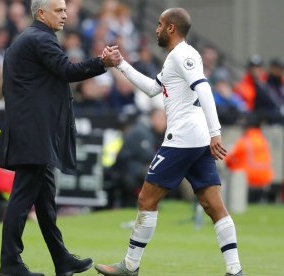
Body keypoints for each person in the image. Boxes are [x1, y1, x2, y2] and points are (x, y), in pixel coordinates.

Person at [95, 8, 243, 276]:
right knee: (213, 205)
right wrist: (121, 64)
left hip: (183, 139)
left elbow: (204, 88)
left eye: (160, 24)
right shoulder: (178, 56)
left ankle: (129, 266)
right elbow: (153, 89)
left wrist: (216, 131)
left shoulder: (183, 55)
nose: (156, 29)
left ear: (171, 28)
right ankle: (235, 270)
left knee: (146, 199)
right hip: (195, 140)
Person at [0, 0, 121, 275]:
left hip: (33, 131)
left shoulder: (30, 39)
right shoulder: (40, 39)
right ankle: (10, 263)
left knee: (45, 204)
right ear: (41, 13)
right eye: (59, 10)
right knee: (22, 198)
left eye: (65, 9)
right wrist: (102, 62)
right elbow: (68, 71)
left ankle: (61, 259)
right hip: (34, 133)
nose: (65, 14)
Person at [224, 115, 274, 203]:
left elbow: (228, 161)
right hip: (265, 180)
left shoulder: (244, 141)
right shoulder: (262, 140)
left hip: (249, 180)